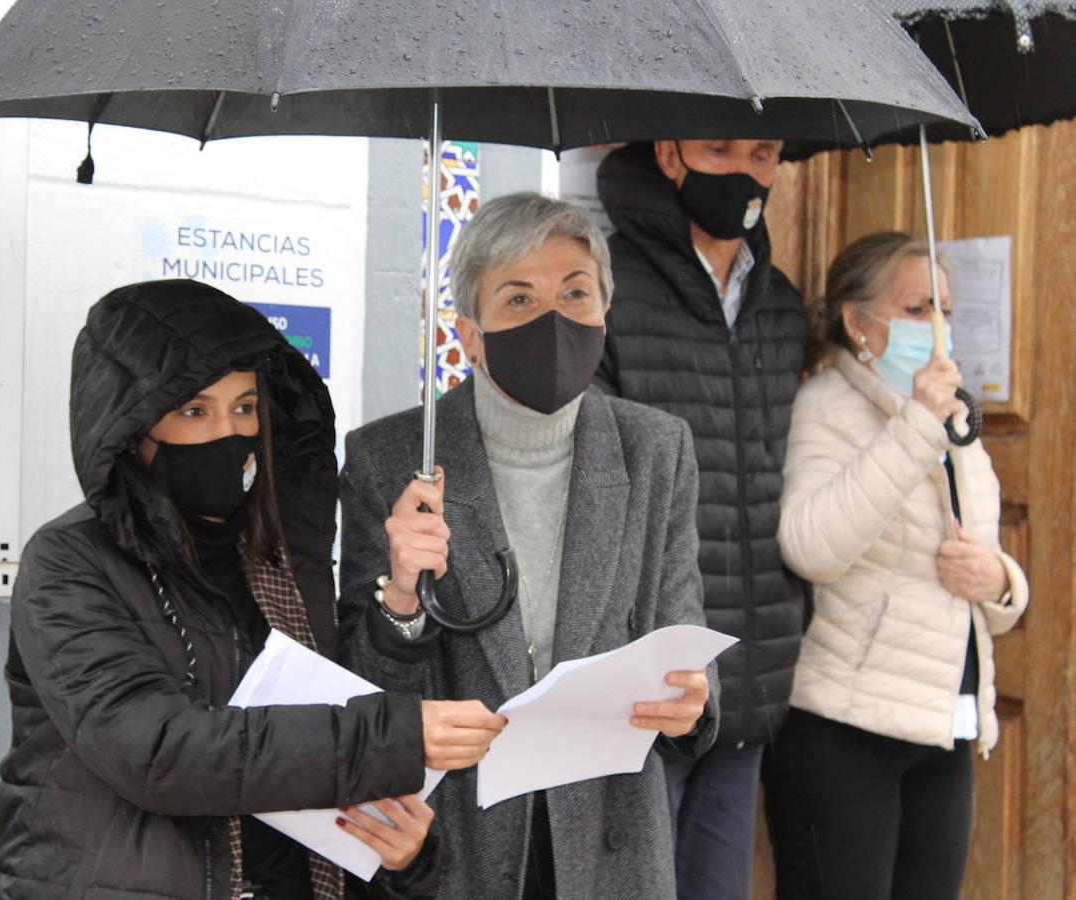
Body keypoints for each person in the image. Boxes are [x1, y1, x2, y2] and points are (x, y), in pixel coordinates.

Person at [0, 279, 507, 900]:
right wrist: (395, 738)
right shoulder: (69, 562)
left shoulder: (279, 558)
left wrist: (404, 859)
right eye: (194, 411)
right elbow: (158, 753)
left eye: (244, 407)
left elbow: (326, 731)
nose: (228, 432)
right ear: (132, 429)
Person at [339, 193, 718, 900]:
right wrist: (399, 593)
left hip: (609, 837)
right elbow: (366, 693)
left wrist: (694, 697)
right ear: (470, 334)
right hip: (455, 843)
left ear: (605, 310)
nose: (552, 319)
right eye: (517, 298)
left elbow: (679, 624)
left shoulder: (656, 448)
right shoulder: (388, 458)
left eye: (575, 292)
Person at [763, 232, 1029, 899]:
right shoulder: (827, 408)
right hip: (846, 729)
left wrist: (1000, 583)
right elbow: (812, 546)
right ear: (858, 323)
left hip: (946, 720)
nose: (936, 326)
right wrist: (915, 426)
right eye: (916, 308)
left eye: (945, 307)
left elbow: (982, 563)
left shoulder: (955, 421)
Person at [592, 139, 809, 898]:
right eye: (720, 149)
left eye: (764, 153)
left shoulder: (780, 304)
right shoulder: (607, 290)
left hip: (752, 679)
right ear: (670, 155)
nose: (747, 173)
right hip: (653, 676)